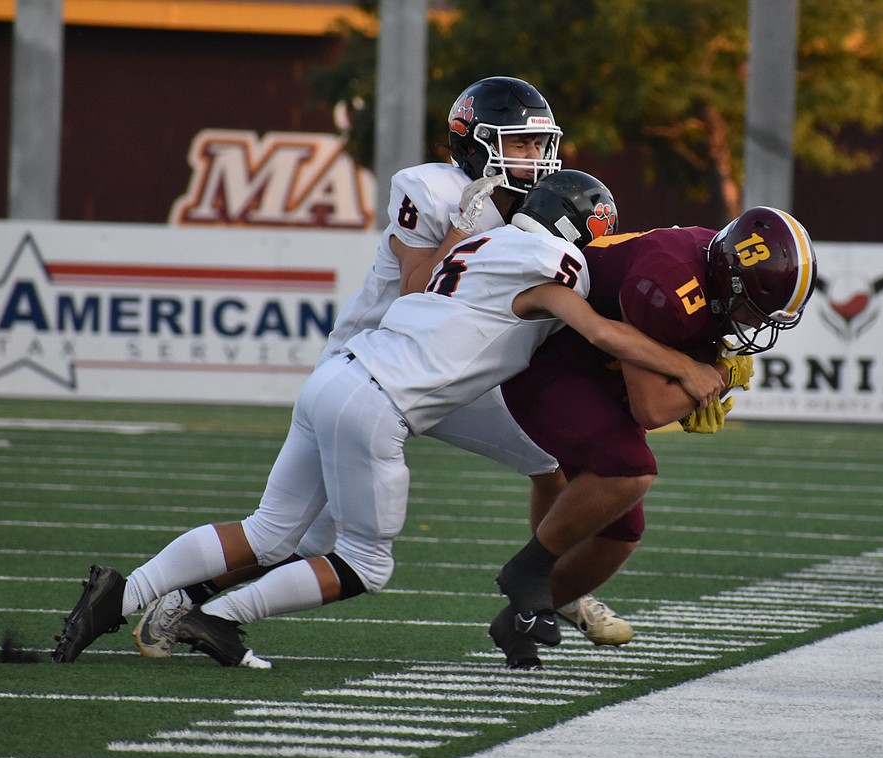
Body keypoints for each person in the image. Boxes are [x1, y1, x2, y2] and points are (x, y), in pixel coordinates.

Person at [53, 169, 726, 668]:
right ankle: (217, 615)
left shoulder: (471, 249)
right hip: (380, 402)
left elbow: (431, 285)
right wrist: (694, 370)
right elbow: (604, 335)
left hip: (336, 374)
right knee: (365, 563)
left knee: (271, 530)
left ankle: (123, 592)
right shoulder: (556, 266)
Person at [130, 76, 631, 658]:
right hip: (381, 360)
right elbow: (420, 289)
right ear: (475, 142)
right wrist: (463, 230)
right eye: (519, 144)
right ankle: (184, 603)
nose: (535, 158)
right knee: (303, 535)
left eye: (539, 143)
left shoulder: (538, 206)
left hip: (454, 370)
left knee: (551, 462)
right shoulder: (433, 190)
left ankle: (548, 586)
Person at [489, 206, 818, 669]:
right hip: (550, 360)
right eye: (752, 308)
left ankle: (521, 614)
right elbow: (652, 409)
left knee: (623, 533)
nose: (754, 323)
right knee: (629, 470)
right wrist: (716, 375)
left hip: (600, 369)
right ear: (732, 283)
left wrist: (702, 372)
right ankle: (529, 571)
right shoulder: (669, 284)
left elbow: (682, 354)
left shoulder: (717, 265)